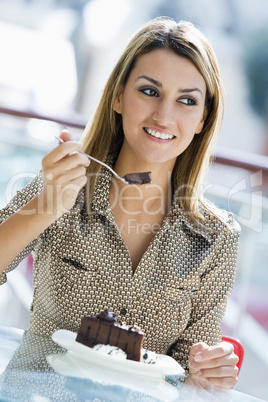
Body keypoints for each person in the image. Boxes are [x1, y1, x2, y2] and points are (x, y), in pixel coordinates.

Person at [0, 17, 240, 389]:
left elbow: (192, 363)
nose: (164, 115)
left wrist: (210, 368)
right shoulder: (62, 189)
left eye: (187, 100)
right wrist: (46, 207)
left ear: (201, 118)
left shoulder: (216, 237)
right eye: (149, 91)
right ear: (117, 96)